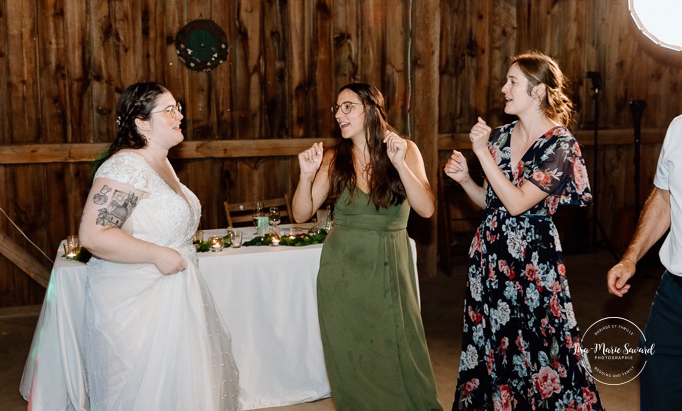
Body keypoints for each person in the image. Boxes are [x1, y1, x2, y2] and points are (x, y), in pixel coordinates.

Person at [444, 51, 603, 410]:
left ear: (538, 92)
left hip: (535, 261)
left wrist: (481, 154)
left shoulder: (560, 145)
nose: (504, 88)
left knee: (546, 346)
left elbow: (519, 204)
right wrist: (466, 178)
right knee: (490, 346)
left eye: (513, 81)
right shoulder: (499, 137)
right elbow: (494, 201)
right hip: (490, 259)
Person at [78, 82, 240, 411]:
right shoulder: (126, 167)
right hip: (138, 303)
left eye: (178, 107)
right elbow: (94, 234)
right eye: (169, 110)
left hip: (179, 295)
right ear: (141, 122)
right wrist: (157, 253)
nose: (179, 115)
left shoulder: (161, 163)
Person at [292, 82, 443, 410]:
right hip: (342, 273)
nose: (339, 114)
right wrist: (305, 176)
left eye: (347, 106)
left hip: (390, 265)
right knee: (351, 355)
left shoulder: (407, 150)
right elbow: (301, 213)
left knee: (401, 348)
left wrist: (401, 164)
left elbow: (427, 209)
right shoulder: (334, 159)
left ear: (372, 109)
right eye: (336, 108)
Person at [607, 115, 682, 411]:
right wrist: (631, 257)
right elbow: (664, 197)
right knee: (658, 386)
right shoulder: (678, 126)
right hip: (674, 295)